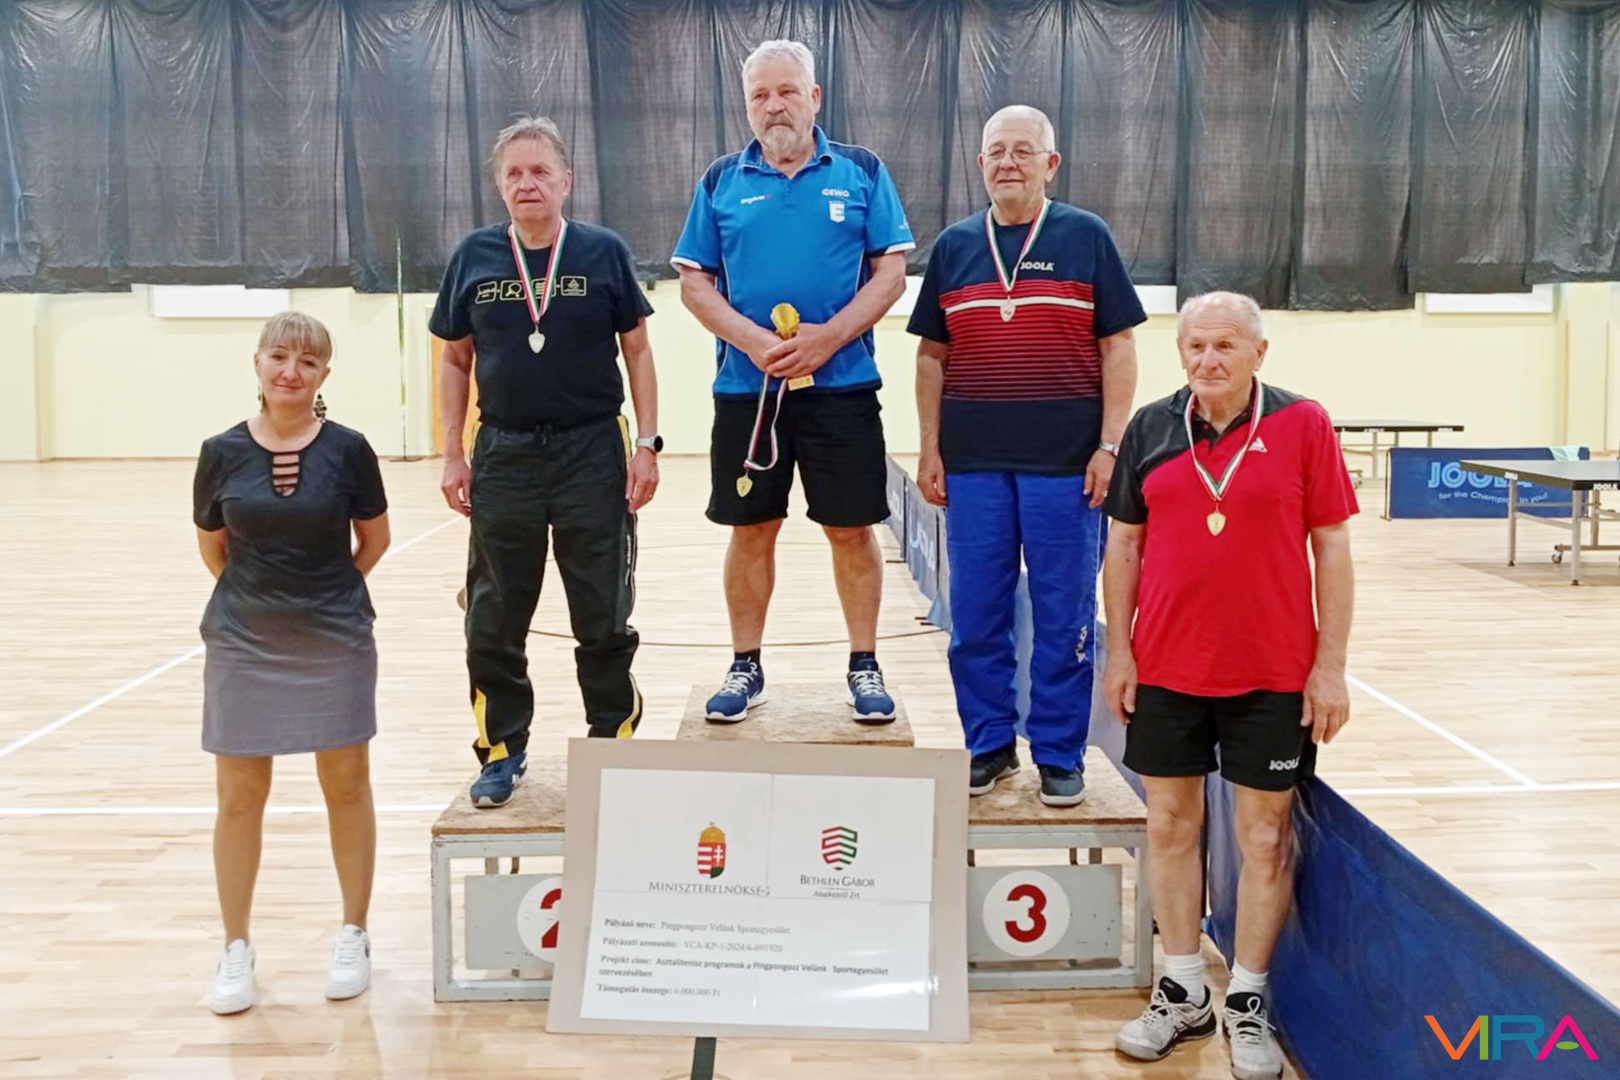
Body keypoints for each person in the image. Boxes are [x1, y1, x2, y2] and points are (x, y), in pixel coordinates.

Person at [1102, 292, 1356, 1079]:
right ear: (1180, 352)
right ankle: (1182, 989)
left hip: (1273, 674)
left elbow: (1332, 546)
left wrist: (1330, 665)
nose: (1208, 360)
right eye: (1195, 346)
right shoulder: (1150, 428)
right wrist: (1120, 652)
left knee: (1266, 837)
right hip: (1167, 668)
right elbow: (1124, 546)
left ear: (1258, 352)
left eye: (1224, 346)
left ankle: (1246, 998)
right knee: (1170, 825)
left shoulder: (1303, 424)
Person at [672, 39, 913, 724]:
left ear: (814, 97)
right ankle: (744, 665)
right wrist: (754, 343)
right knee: (752, 529)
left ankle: (864, 664)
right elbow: (694, 283)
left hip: (843, 388)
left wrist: (826, 338)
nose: (773, 105)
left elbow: (890, 275)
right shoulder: (720, 179)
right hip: (747, 394)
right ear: (747, 105)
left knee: (851, 529)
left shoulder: (862, 170)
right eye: (760, 95)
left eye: (786, 91)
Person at [909, 104, 1142, 806]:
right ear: (980, 163)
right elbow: (931, 356)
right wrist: (929, 447)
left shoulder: (1086, 236)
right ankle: (988, 745)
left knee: (1063, 620)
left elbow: (1118, 347)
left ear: (1050, 163)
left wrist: (1110, 446)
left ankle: (1059, 753)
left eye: (1022, 150)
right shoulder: (954, 246)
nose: (1007, 162)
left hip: (1066, 469)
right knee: (975, 616)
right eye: (996, 151)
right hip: (974, 467)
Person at [432, 116, 660, 808]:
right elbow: (455, 360)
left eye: (540, 171)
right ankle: (502, 748)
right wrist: (452, 451)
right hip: (503, 452)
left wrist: (647, 444)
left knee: (603, 610)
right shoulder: (474, 256)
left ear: (567, 181)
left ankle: (610, 741)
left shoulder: (603, 252)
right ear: (499, 185)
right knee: (494, 613)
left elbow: (638, 351)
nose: (527, 183)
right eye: (514, 173)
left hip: (592, 449)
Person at [192, 312, 391, 1015]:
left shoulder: (350, 450)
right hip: (245, 639)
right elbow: (214, 547)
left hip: (333, 636)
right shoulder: (220, 451)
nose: (291, 371)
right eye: (279, 357)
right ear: (257, 364)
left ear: (324, 374)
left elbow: (373, 541)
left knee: (347, 784)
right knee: (239, 795)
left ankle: (354, 932)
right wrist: (263, 602)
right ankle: (235, 947)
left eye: (307, 361)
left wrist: (326, 597)